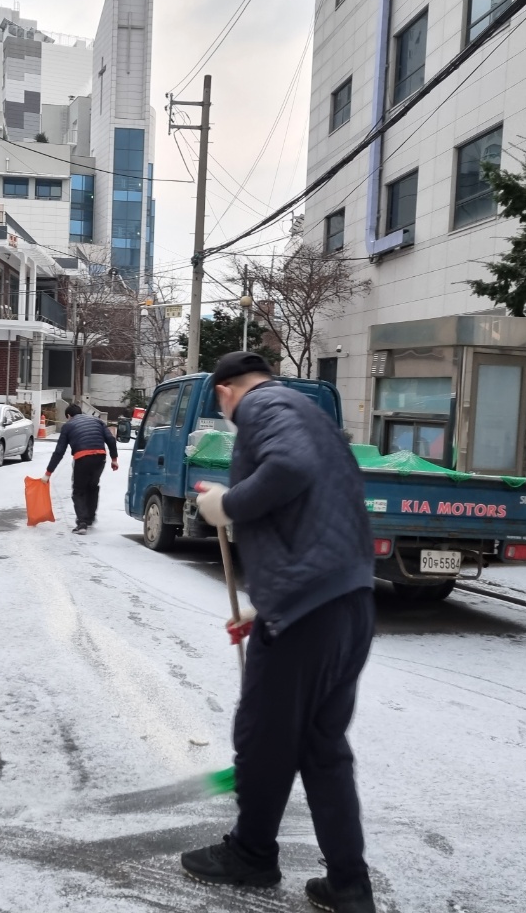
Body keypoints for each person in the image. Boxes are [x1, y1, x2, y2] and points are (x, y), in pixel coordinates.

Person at [181, 351, 378, 913]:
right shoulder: (311, 414)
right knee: (322, 747)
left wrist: (227, 504)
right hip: (346, 602)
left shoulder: (264, 405)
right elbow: (314, 510)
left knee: (264, 736)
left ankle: (251, 855)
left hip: (308, 610)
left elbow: (288, 469)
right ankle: (348, 884)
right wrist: (265, 610)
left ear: (226, 393)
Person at [43, 403, 119, 535]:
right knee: (93, 486)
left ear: (68, 415)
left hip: (83, 458)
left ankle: (82, 523)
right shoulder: (98, 421)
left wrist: (48, 473)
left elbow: (59, 452)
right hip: (100, 457)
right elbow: (111, 440)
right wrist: (114, 460)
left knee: (78, 491)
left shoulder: (68, 426)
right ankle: (90, 518)